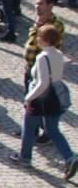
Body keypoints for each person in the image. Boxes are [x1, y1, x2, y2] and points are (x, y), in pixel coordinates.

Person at [22, 24, 77, 177]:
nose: (37, 39)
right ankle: (70, 157)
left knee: (28, 126)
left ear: (45, 39)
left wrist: (28, 97)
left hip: (41, 97)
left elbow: (43, 83)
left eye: (39, 36)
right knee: (52, 130)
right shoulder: (58, 54)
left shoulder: (42, 57)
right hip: (57, 95)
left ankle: (25, 158)